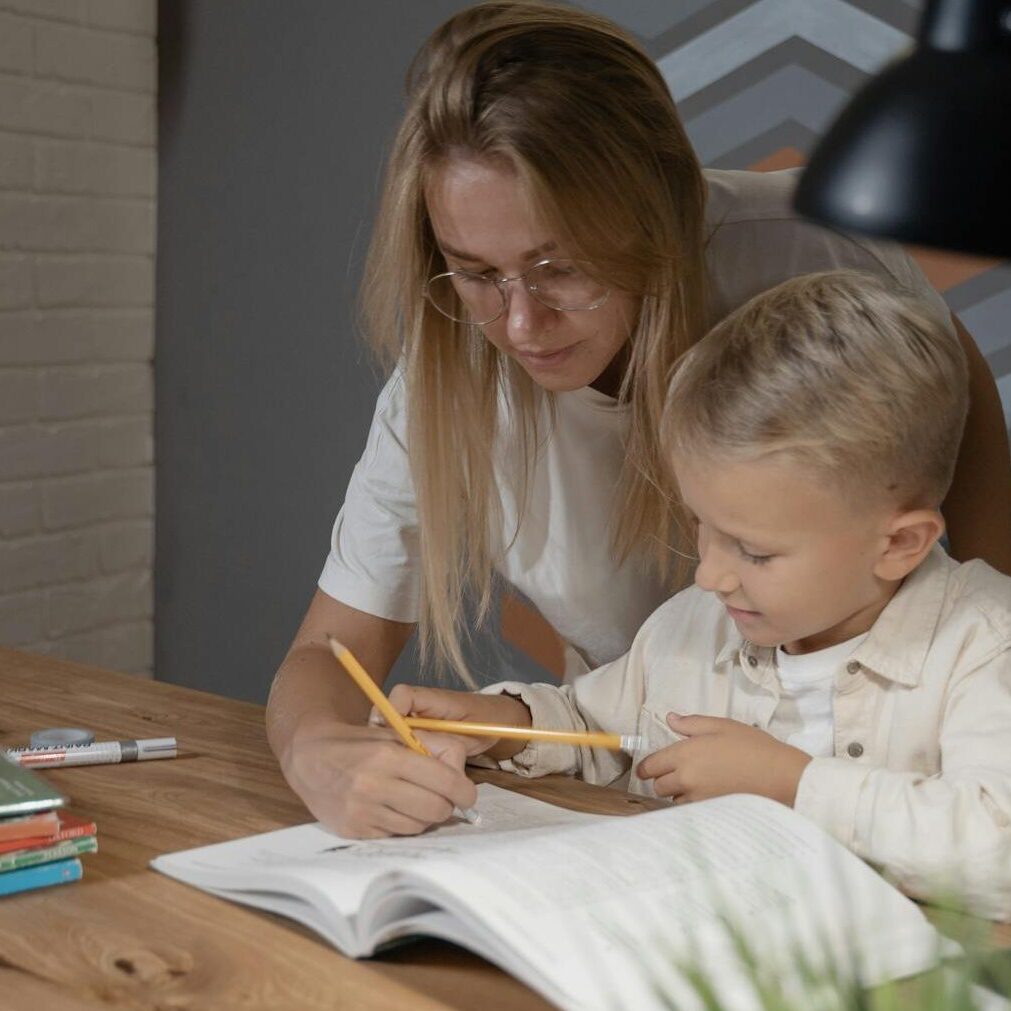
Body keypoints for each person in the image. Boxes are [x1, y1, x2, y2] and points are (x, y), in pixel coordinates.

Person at [266, 1, 1011, 839]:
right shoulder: (677, 631)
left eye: (560, 267)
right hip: (661, 803)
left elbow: (951, 387)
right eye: (474, 273)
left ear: (658, 217)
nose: (518, 325)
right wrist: (325, 751)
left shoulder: (809, 255)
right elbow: (592, 713)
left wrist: (983, 643)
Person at [389, 270, 1011, 918]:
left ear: (899, 544)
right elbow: (593, 727)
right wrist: (502, 727)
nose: (707, 573)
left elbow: (997, 848)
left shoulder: (984, 644)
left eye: (754, 550)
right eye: (700, 525)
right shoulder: (695, 626)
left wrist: (790, 784)